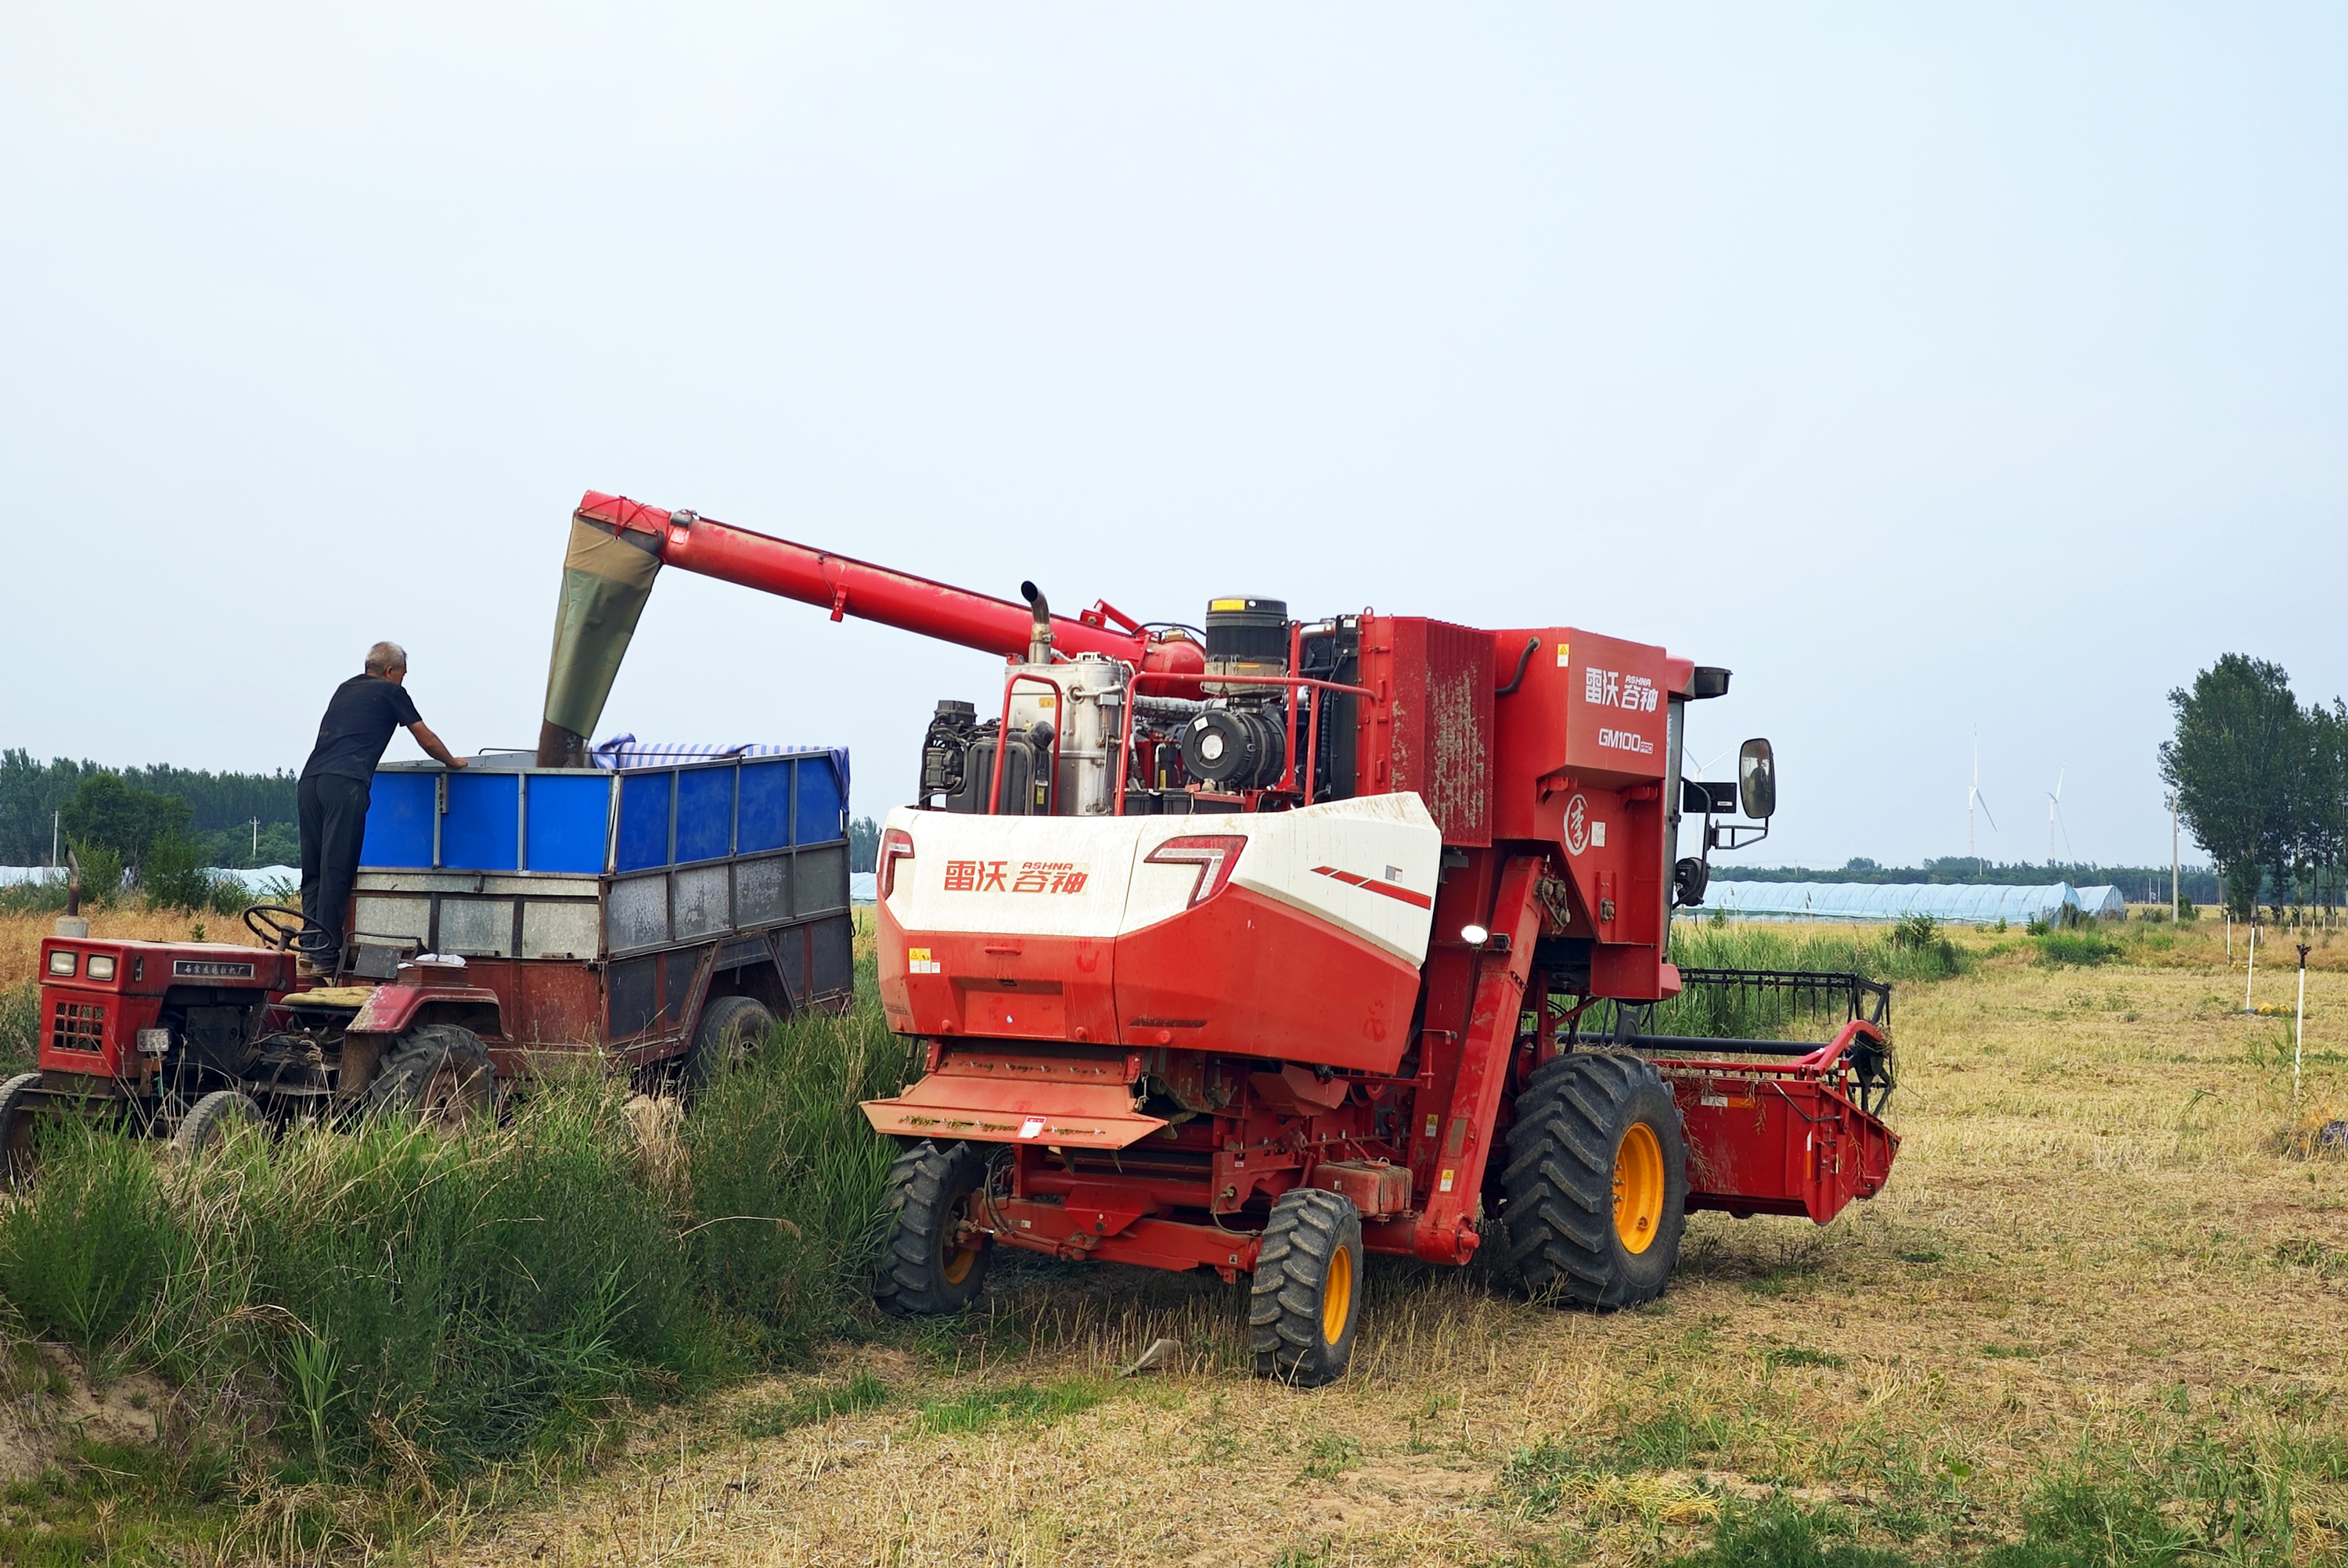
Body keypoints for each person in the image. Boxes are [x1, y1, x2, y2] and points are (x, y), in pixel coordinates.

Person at [297, 642, 466, 969]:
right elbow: (425, 738)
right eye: (403, 673)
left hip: (310, 782)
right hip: (345, 784)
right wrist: (453, 762)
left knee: (314, 870)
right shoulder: (391, 692)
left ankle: (309, 947)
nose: (404, 679)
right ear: (391, 671)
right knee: (336, 869)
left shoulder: (345, 688)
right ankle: (326, 955)